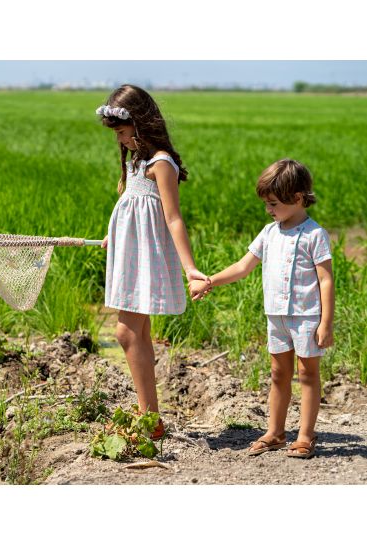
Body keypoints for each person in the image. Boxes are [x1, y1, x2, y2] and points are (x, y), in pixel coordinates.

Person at [189, 159, 334, 458]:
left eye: (273, 203)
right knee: (278, 374)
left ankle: (306, 435)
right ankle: (275, 432)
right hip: (276, 317)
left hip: (307, 318)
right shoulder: (269, 233)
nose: (268, 209)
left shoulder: (314, 235)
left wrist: (326, 322)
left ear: (297, 198)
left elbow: (326, 280)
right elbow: (243, 267)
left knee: (308, 375)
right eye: (266, 204)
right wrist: (210, 281)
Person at [96, 84, 209, 440]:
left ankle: (150, 418)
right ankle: (149, 416)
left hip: (145, 257)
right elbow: (132, 208)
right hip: (129, 252)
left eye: (122, 132)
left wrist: (190, 269)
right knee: (136, 331)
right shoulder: (135, 160)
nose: (121, 139)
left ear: (141, 122)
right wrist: (114, 234)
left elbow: (172, 217)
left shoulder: (161, 162)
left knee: (125, 332)